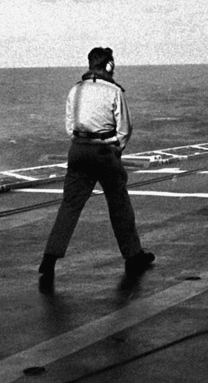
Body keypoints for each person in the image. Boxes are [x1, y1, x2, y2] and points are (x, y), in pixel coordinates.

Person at [38, 46, 154, 292]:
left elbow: (70, 125)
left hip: (78, 150)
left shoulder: (75, 90)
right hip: (104, 152)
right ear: (109, 65)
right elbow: (124, 128)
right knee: (119, 205)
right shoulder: (113, 91)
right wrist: (115, 150)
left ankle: (49, 258)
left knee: (69, 206)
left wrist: (81, 142)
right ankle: (133, 256)